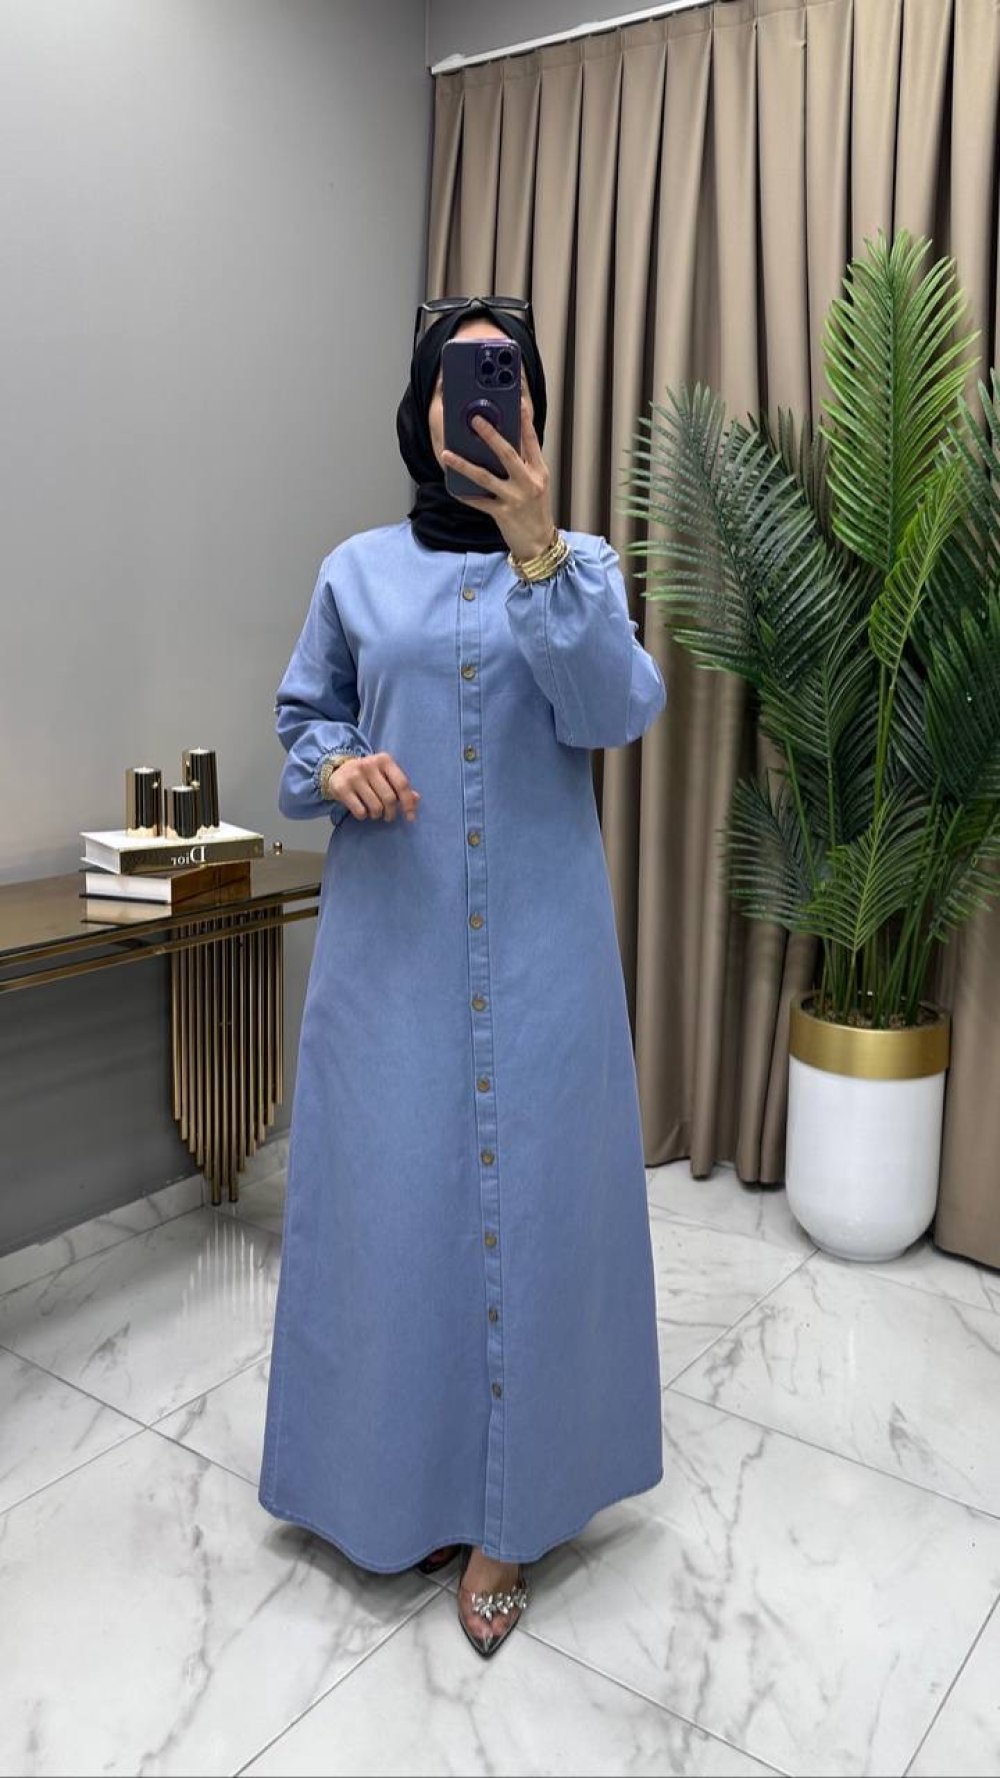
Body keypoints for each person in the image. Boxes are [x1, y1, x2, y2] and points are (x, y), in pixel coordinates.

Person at [258, 296, 666, 1658]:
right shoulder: (356, 571)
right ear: (422, 408)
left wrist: (540, 549)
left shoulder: (582, 566)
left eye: (505, 379)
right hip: (393, 954)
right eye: (457, 377)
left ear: (530, 409)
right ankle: (407, 1483)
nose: (480, 401)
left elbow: (611, 711)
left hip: (541, 956)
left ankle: (509, 1518)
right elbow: (305, 720)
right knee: (396, 1220)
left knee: (537, 1220)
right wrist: (337, 766)